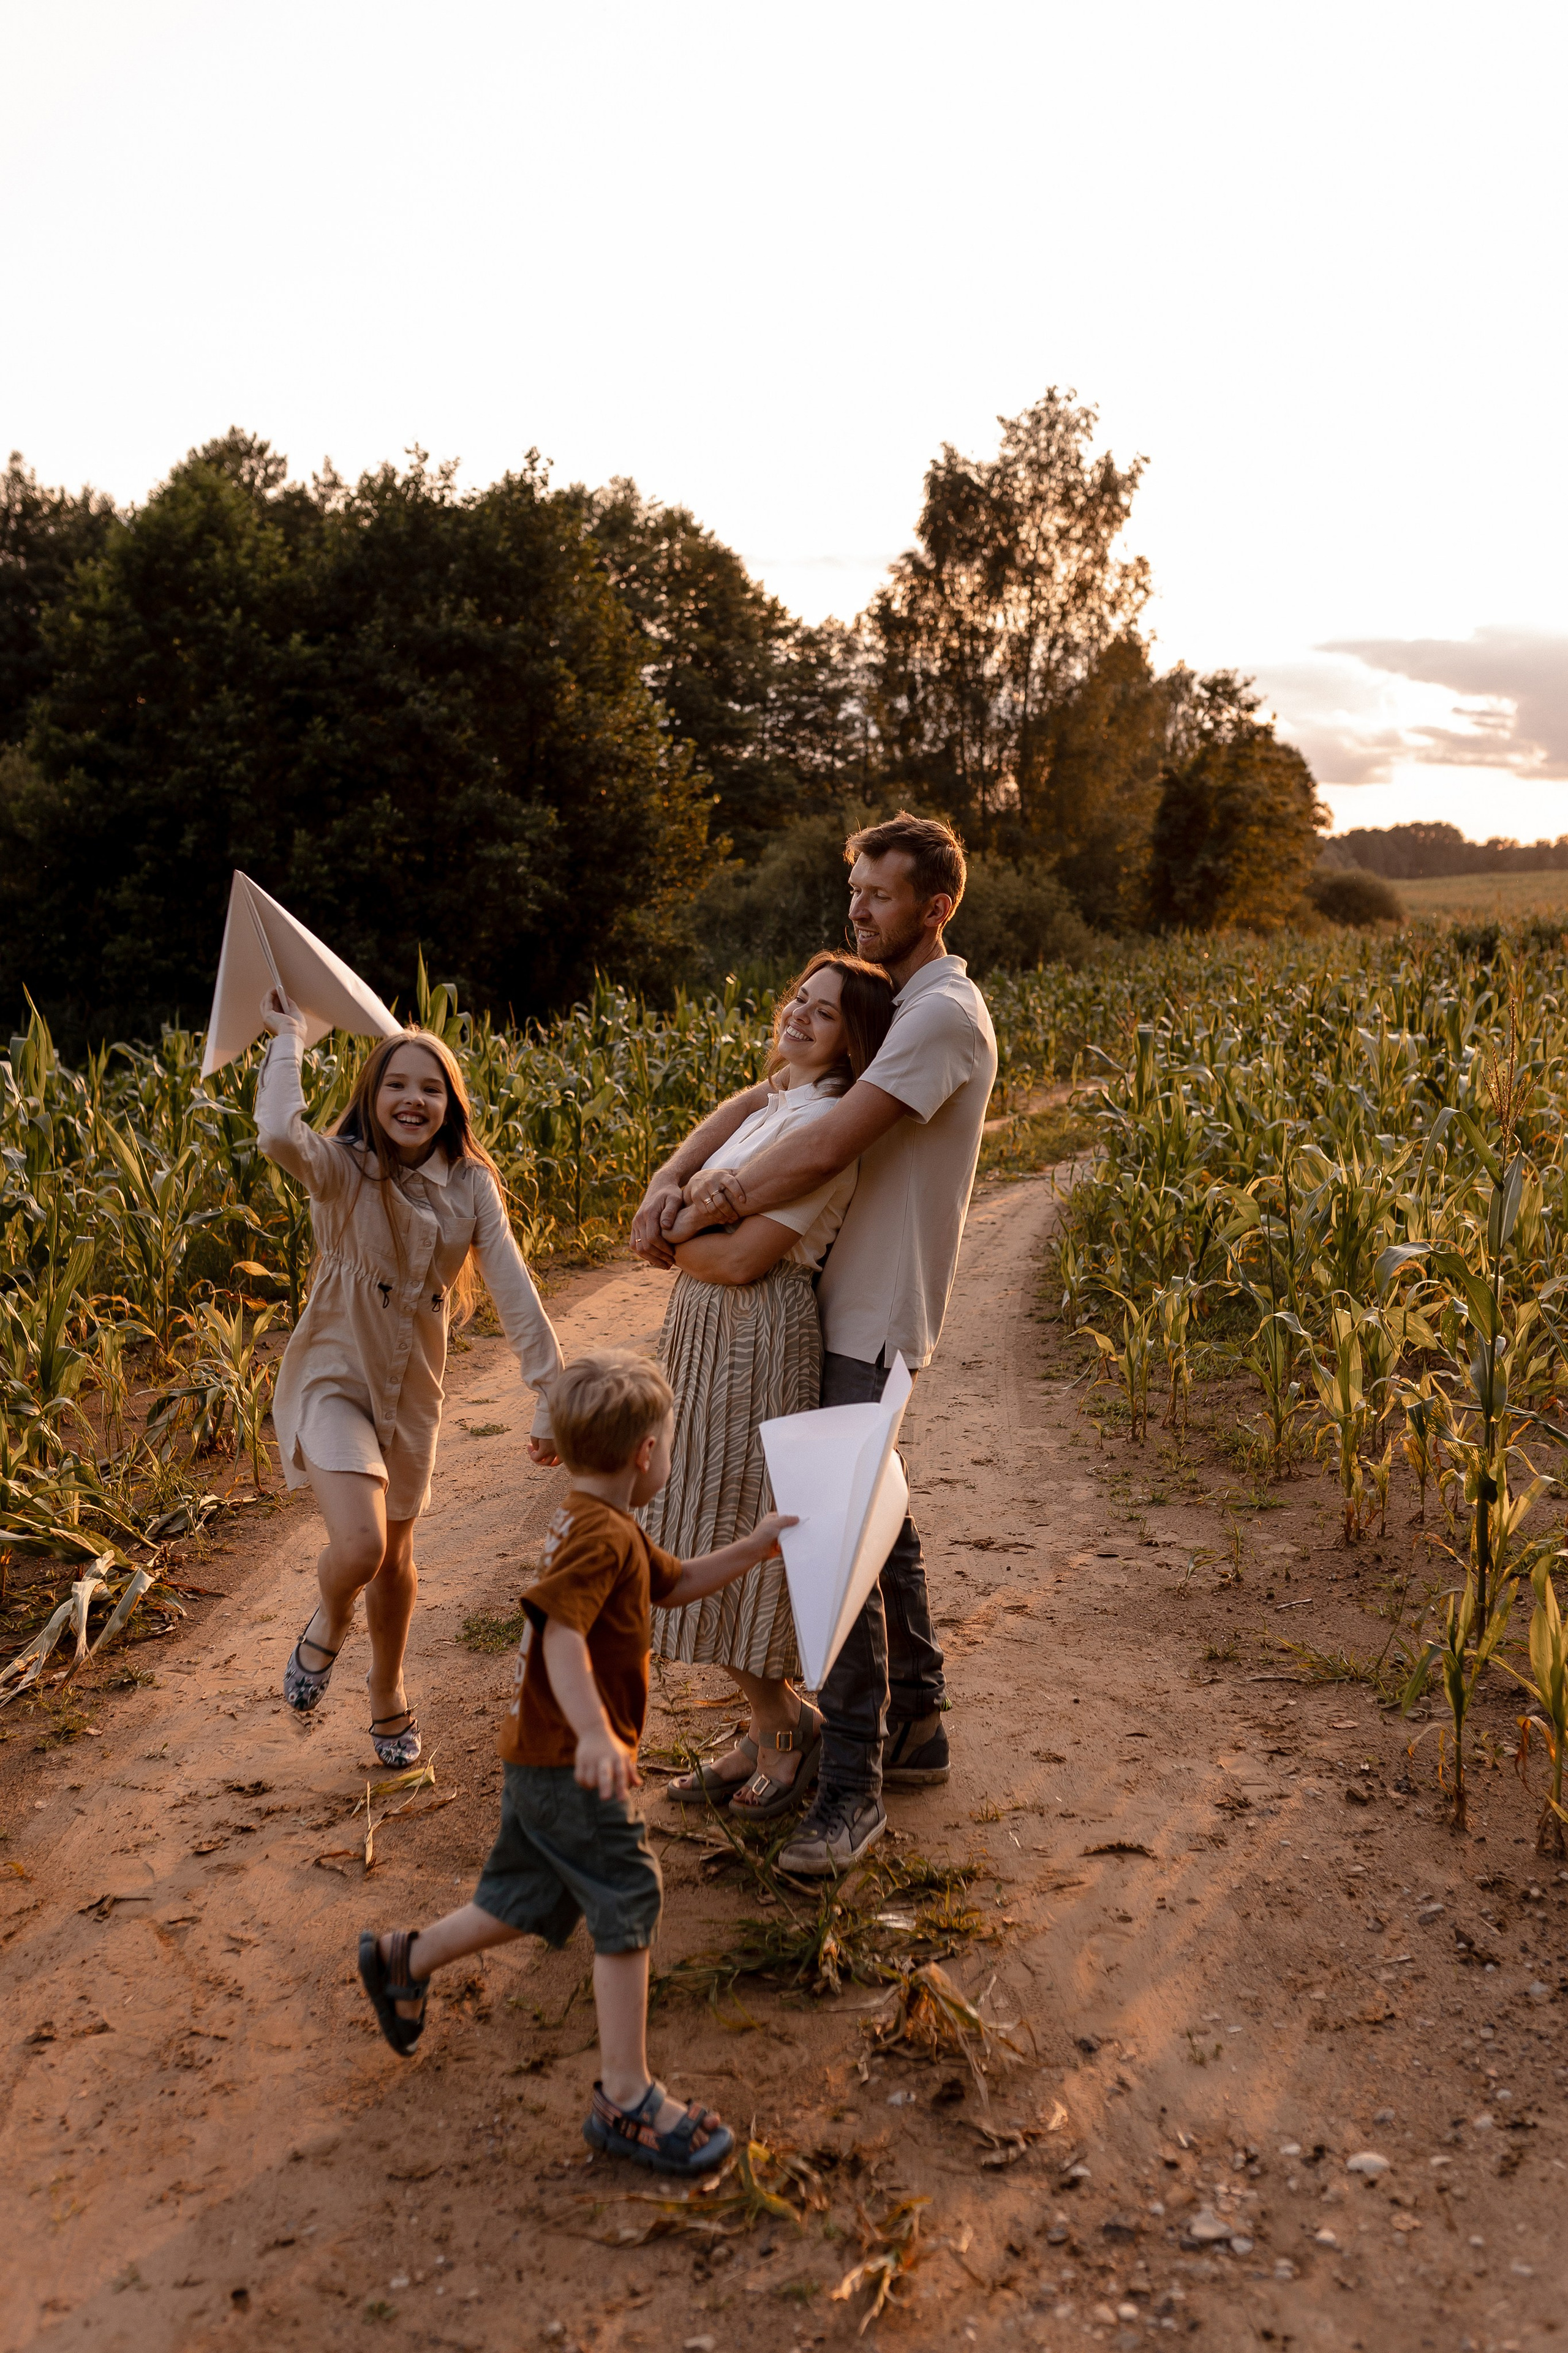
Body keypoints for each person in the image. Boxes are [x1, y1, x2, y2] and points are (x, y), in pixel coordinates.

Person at [630, 813, 997, 1875]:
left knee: (836, 1550)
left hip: (870, 1308)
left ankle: (849, 1791)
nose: (858, 911)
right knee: (880, 1527)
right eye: (854, 893)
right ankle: (915, 1725)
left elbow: (830, 1142)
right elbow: (776, 1092)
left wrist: (704, 1207)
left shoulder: (941, 1014)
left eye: (879, 896)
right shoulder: (895, 1004)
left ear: (935, 907)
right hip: (829, 1305)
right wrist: (669, 1177)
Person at [356, 1350, 796, 2177]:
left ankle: (403, 1958)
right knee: (627, 1892)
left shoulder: (599, 1519)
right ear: (645, 1454)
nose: (667, 1457)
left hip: (541, 1758)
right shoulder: (600, 1538)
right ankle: (626, 2097)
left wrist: (754, 1547)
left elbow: (671, 1584)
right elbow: (559, 1633)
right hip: (569, 1761)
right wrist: (597, 1734)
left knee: (529, 1894)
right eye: (667, 1444)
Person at [256, 988, 562, 1767]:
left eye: (431, 1087)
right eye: (396, 1083)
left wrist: (550, 1389)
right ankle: (331, 1619)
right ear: (372, 1094)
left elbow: (513, 1284)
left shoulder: (471, 1184)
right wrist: (289, 1037)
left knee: (395, 1557)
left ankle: (387, 1687)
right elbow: (277, 1131)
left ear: (450, 1104)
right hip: (333, 1376)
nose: (413, 1099)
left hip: (413, 1389)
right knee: (360, 1547)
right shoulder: (343, 1168)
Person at [649, 951, 894, 1822]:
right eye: (799, 998)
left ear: (852, 1041)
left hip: (755, 1329)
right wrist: (669, 1188)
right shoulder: (776, 1101)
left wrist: (673, 1232)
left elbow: (745, 1258)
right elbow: (722, 1135)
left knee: (735, 1526)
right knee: (688, 1516)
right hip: (703, 1328)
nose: (799, 1015)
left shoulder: (826, 1122)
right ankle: (767, 1724)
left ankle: (787, 1728)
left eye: (824, 1013)